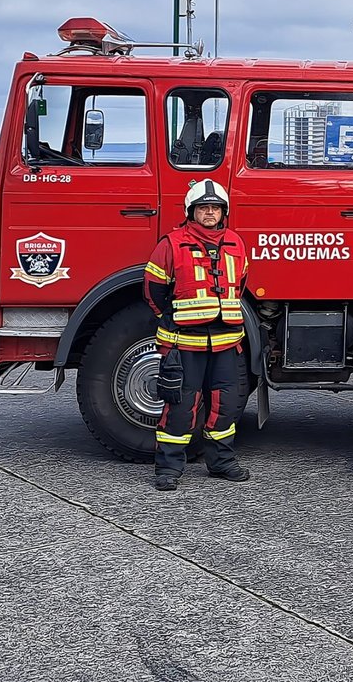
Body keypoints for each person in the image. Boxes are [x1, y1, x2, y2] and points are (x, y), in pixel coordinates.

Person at [146, 180, 251, 491]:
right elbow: (153, 289)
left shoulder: (235, 243)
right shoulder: (171, 243)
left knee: (226, 405)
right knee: (180, 406)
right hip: (184, 343)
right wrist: (173, 318)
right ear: (191, 211)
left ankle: (221, 462)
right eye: (204, 207)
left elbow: (240, 283)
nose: (210, 212)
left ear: (223, 212)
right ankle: (168, 468)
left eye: (215, 208)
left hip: (226, 343)